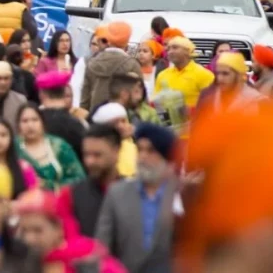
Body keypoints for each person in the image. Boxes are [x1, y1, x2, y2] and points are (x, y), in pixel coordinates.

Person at [94, 123, 178, 273]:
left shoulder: (182, 193)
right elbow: (102, 247)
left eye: (151, 150)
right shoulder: (117, 193)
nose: (142, 156)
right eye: (139, 150)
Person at [15, 106, 84, 190]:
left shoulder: (59, 146)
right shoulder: (13, 147)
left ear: (43, 123)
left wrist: (49, 185)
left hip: (57, 200)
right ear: (18, 125)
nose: (30, 125)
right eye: (25, 121)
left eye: (35, 120)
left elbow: (79, 179)